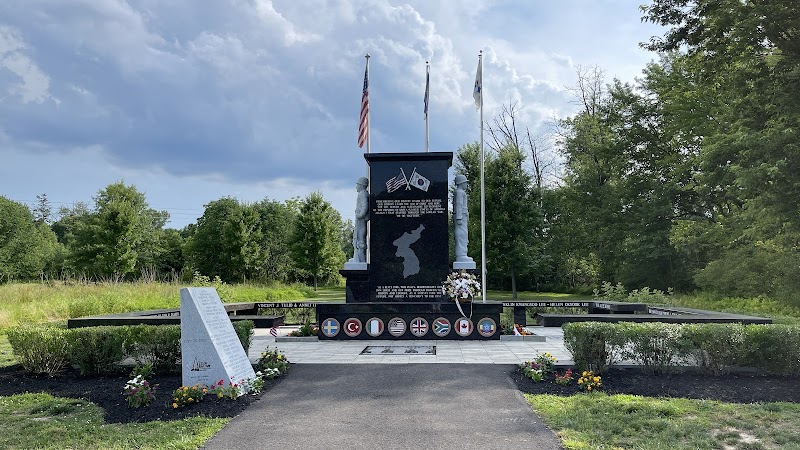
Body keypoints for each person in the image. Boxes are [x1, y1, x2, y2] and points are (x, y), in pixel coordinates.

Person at [352, 176, 369, 263]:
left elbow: (364, 205)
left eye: (358, 185)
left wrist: (360, 214)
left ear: (362, 185)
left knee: (360, 239)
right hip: (359, 219)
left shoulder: (362, 193)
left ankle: (361, 261)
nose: (356, 187)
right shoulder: (363, 193)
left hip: (360, 219)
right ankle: (357, 258)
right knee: (358, 239)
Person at [454, 174, 470, 261]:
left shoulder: (461, 192)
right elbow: (459, 205)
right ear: (461, 183)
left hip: (463, 216)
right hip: (460, 216)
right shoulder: (459, 192)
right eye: (465, 183)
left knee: (464, 234)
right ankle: (461, 254)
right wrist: (459, 217)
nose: (466, 185)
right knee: (461, 234)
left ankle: (463, 253)